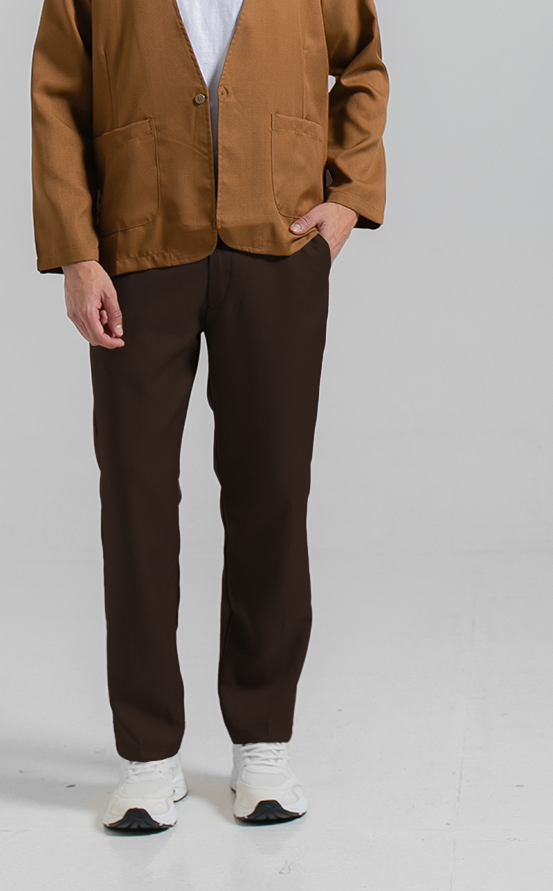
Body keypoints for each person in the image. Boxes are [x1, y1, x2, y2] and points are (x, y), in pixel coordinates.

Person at [30, 0, 389, 832]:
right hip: (138, 244)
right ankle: (148, 756)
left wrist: (347, 197)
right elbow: (57, 95)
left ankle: (262, 742)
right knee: (135, 497)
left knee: (272, 493)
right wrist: (76, 251)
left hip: (277, 244)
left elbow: (362, 66)